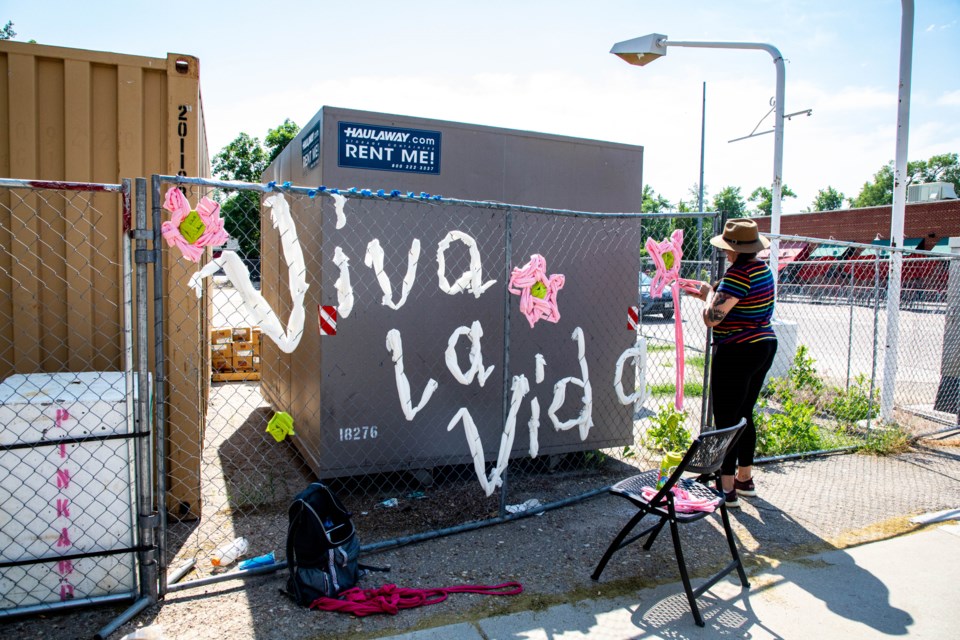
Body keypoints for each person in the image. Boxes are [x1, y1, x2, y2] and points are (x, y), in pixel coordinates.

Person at [690, 219, 778, 508]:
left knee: (726, 419)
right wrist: (714, 291)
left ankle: (725, 488)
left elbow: (712, 317)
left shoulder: (738, 275)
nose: (726, 253)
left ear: (736, 250)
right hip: (763, 345)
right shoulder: (762, 270)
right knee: (744, 414)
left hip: (737, 350)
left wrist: (708, 295)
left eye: (728, 248)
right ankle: (744, 478)